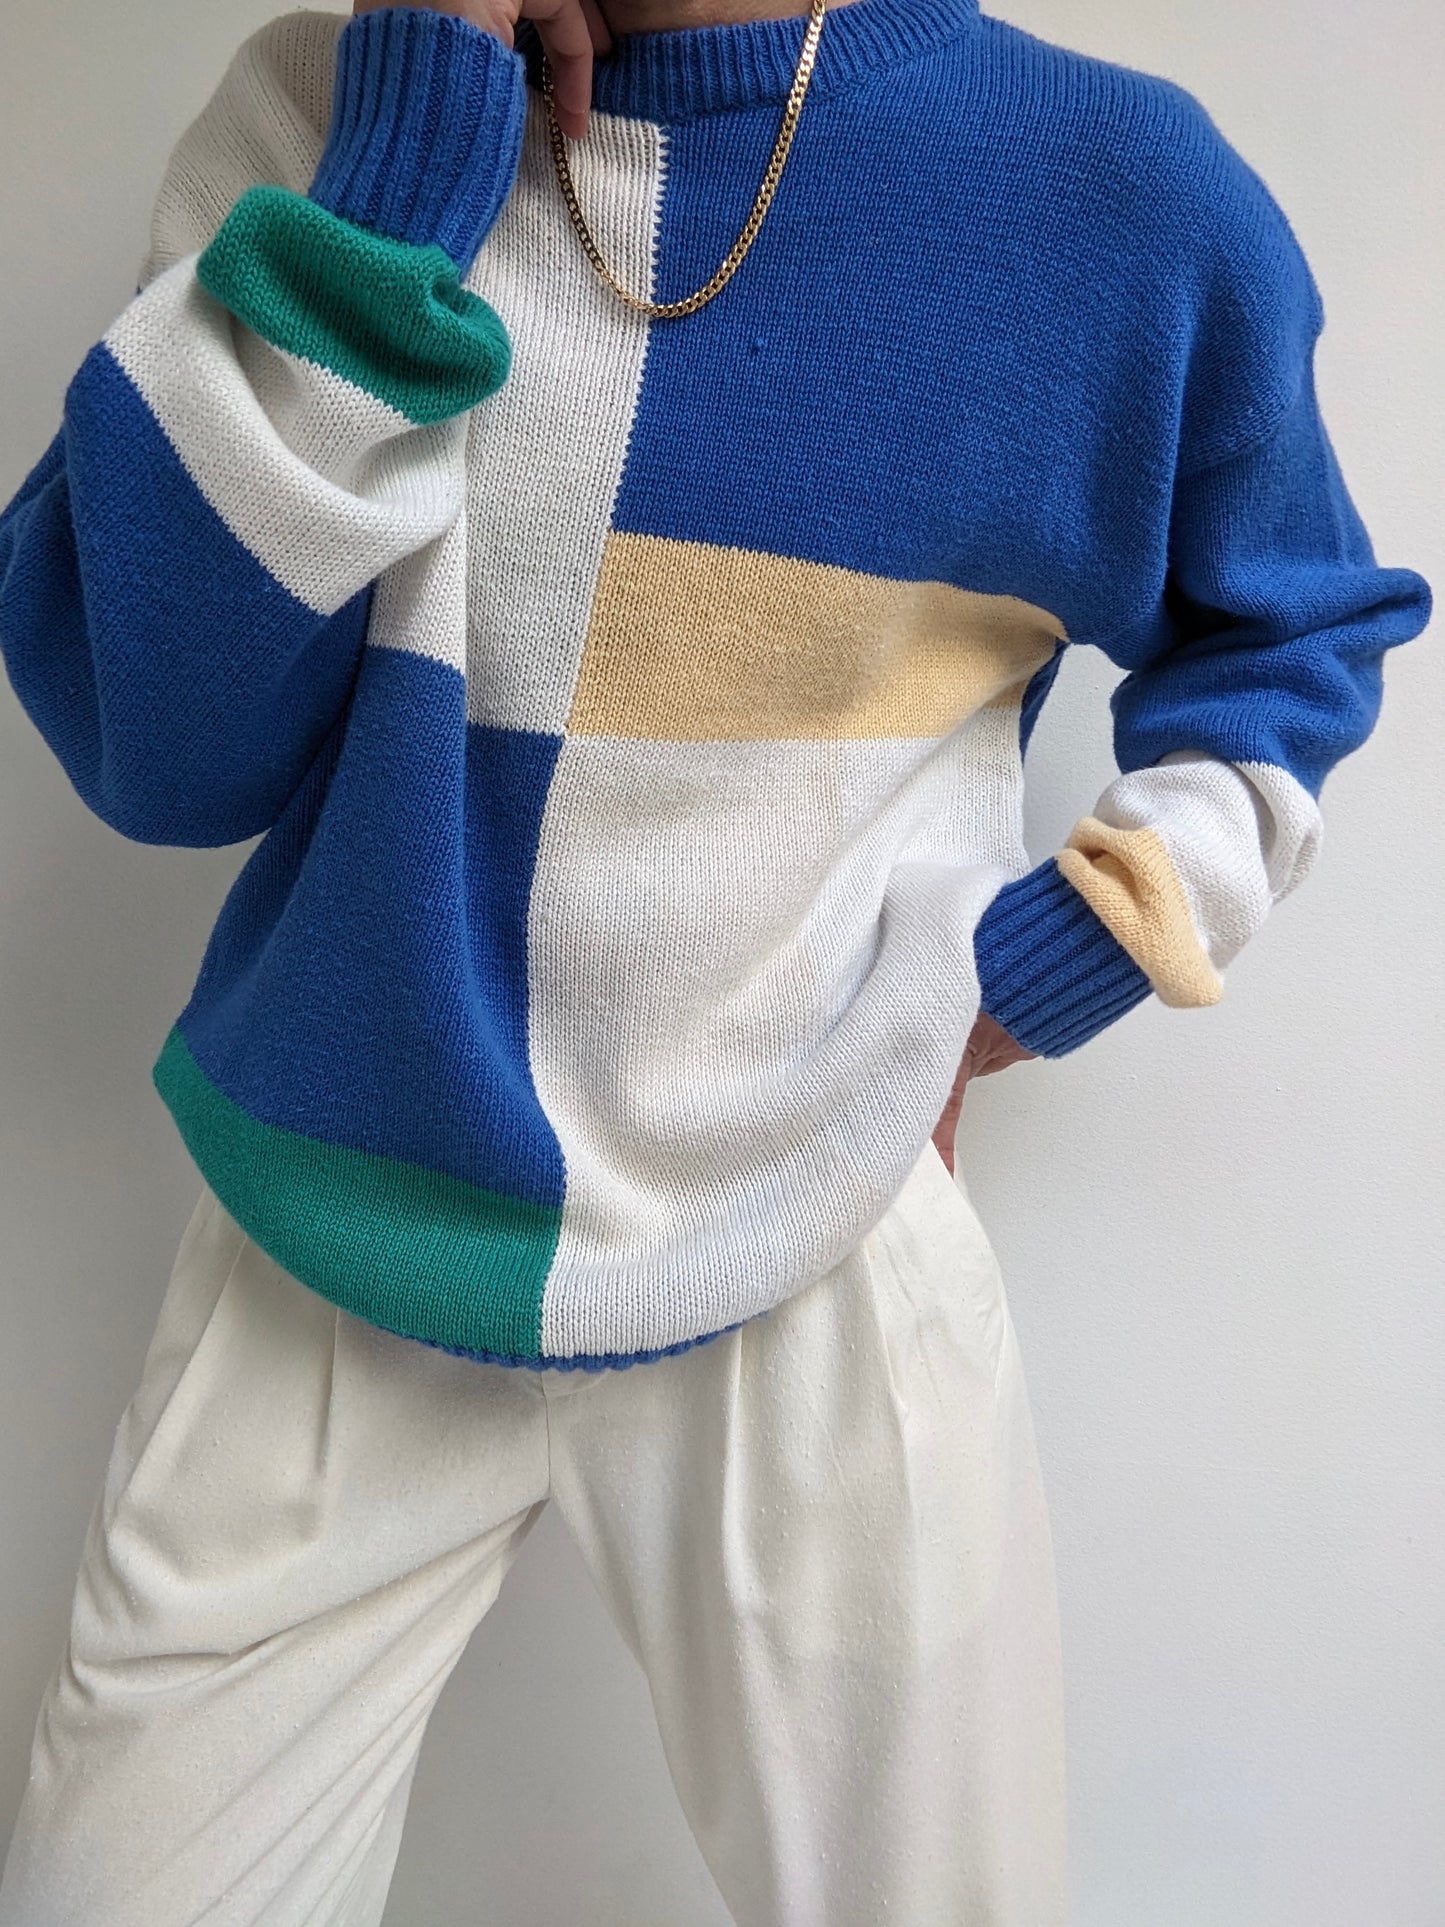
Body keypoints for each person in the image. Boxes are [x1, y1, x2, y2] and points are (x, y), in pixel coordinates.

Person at [0, 0, 1430, 1915]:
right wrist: (402, 182)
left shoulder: (1112, 188)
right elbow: (153, 744)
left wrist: (1069, 953)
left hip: (814, 1230)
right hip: (334, 1208)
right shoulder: (330, 111)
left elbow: (1290, 631)